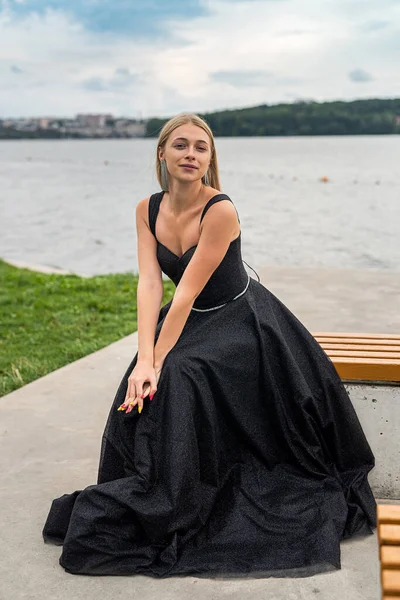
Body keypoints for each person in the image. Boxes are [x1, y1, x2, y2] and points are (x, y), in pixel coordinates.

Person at [42, 113, 377, 579]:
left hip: (240, 319)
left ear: (210, 158)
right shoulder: (146, 209)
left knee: (178, 371)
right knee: (140, 376)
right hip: (188, 315)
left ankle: (179, 497)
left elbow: (186, 293)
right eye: (180, 145)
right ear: (162, 153)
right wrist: (143, 358)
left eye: (201, 148)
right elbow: (150, 285)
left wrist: (155, 361)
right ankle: (152, 486)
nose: (191, 155)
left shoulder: (220, 210)